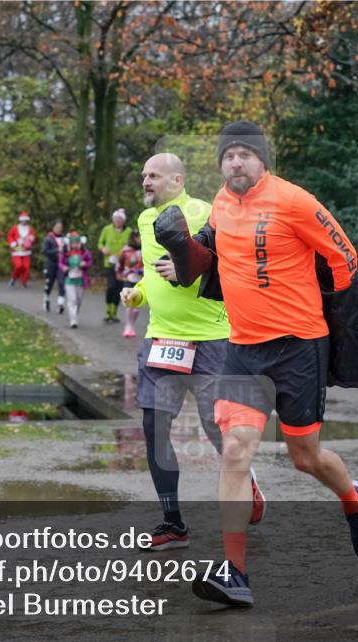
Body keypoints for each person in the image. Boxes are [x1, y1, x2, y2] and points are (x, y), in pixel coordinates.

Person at [155, 121, 358, 607]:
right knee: (236, 450)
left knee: (306, 458)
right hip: (244, 349)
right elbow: (203, 262)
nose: (236, 162)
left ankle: (353, 501)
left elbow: (345, 256)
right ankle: (234, 573)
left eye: (245, 154)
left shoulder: (295, 200)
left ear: (263, 160)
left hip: (300, 347)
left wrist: (336, 318)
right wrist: (179, 245)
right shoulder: (219, 203)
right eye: (228, 155)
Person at [121, 152, 264, 551]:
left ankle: (247, 483)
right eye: (143, 175)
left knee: (218, 430)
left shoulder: (205, 211)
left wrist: (190, 267)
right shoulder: (146, 220)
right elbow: (154, 271)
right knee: (154, 429)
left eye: (154, 176)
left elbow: (230, 261)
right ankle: (173, 523)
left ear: (177, 180)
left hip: (211, 338)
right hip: (162, 338)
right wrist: (139, 293)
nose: (145, 182)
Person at [97, 208, 133, 323]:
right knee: (111, 286)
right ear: (113, 219)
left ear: (123, 221)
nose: (117, 221)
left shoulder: (129, 231)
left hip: (123, 265)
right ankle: (108, 311)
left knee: (119, 288)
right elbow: (100, 242)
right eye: (116, 219)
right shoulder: (107, 229)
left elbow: (134, 244)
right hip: (110, 263)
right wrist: (103, 249)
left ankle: (114, 312)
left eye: (120, 219)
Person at [59, 231, 91, 328]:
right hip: (69, 279)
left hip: (81, 279)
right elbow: (60, 263)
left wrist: (85, 264)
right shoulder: (65, 253)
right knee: (72, 299)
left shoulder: (85, 253)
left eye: (77, 242)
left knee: (79, 300)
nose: (75, 244)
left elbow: (90, 262)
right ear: (70, 243)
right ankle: (73, 319)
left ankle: (75, 314)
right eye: (73, 242)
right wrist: (64, 267)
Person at [116, 230, 143, 338]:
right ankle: (128, 326)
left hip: (141, 280)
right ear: (133, 237)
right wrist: (120, 273)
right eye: (137, 237)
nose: (139, 239)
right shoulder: (126, 250)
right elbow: (119, 263)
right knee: (129, 303)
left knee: (136, 307)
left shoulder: (144, 248)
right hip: (129, 278)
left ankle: (132, 325)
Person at [42, 220, 67, 313]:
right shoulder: (48, 238)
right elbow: (45, 251)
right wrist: (57, 250)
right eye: (57, 227)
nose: (59, 229)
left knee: (62, 283)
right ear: (53, 228)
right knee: (49, 284)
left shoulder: (65, 238)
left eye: (60, 227)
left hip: (61, 264)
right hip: (51, 264)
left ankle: (60, 304)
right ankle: (46, 299)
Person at [7, 210, 35, 288]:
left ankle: (24, 282)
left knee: (26, 267)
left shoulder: (30, 228)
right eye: (22, 220)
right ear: (20, 220)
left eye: (25, 220)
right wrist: (13, 243)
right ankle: (14, 278)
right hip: (17, 249)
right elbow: (10, 236)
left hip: (26, 250)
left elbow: (33, 237)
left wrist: (31, 239)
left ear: (27, 220)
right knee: (18, 266)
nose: (24, 222)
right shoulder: (15, 228)